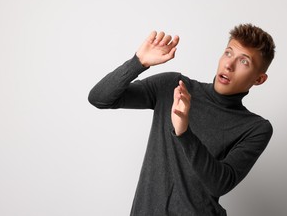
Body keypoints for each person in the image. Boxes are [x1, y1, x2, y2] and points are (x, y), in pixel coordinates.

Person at [88, 24, 276, 216]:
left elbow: (220, 184)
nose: (229, 65)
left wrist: (184, 133)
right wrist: (138, 62)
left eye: (244, 61)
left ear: (259, 79)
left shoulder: (255, 128)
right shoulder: (174, 86)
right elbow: (99, 98)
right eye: (228, 53)